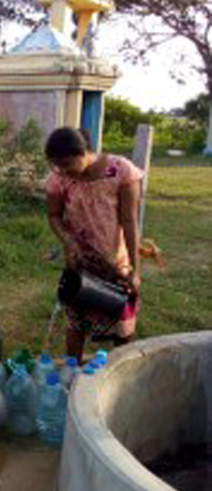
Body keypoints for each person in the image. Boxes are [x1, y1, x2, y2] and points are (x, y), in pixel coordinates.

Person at [45, 127, 143, 361]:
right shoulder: (59, 179)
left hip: (115, 263)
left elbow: (129, 221)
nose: (62, 170)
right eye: (56, 165)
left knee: (122, 325)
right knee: (76, 323)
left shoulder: (120, 171)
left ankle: (123, 376)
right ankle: (72, 372)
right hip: (80, 263)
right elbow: (54, 215)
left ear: (84, 152)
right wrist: (69, 242)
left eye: (67, 164)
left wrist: (135, 270)